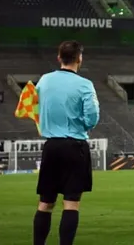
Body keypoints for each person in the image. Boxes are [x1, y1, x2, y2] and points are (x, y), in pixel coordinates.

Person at [32, 41, 100, 245]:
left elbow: (35, 106)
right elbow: (92, 117)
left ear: (59, 57)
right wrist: (82, 125)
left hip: (51, 146)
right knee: (71, 203)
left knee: (45, 203)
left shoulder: (44, 81)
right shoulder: (85, 84)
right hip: (75, 146)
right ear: (79, 58)